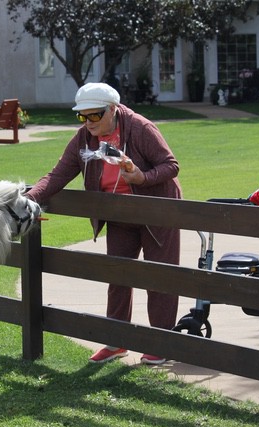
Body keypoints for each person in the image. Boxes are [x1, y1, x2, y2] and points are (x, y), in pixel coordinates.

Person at [25, 82, 182, 365]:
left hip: (158, 212)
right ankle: (116, 341)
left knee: (160, 277)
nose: (88, 122)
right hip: (119, 213)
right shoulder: (84, 138)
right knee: (117, 276)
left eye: (94, 115)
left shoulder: (141, 128)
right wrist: (29, 197)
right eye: (82, 116)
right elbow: (58, 174)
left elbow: (171, 165)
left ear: (112, 110)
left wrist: (141, 178)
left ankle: (162, 342)